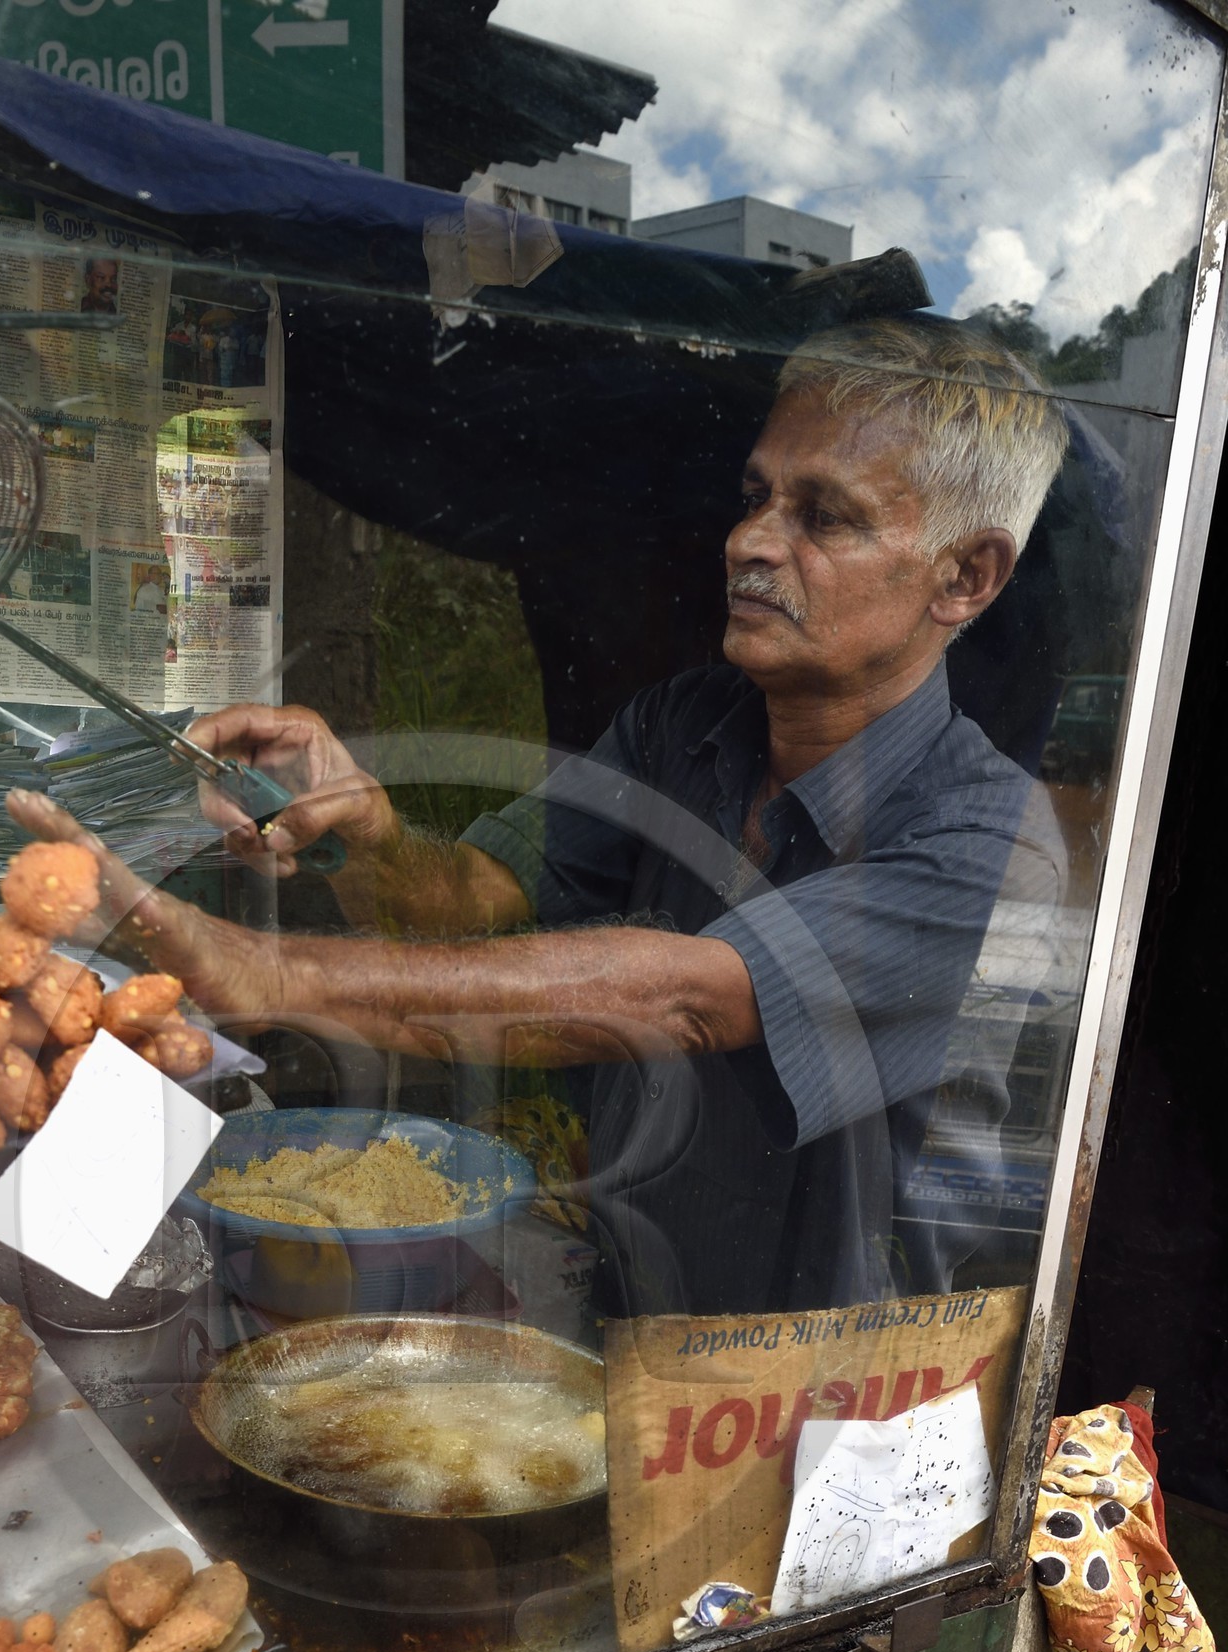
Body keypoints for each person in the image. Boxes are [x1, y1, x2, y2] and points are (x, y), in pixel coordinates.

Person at [112, 317, 1070, 1316]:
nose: (749, 540)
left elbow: (685, 1000)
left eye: (823, 518)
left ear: (965, 576)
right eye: (756, 498)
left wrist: (275, 974)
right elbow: (480, 898)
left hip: (831, 1407)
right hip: (625, 1327)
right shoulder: (685, 727)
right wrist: (370, 830)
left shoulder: (990, 843)